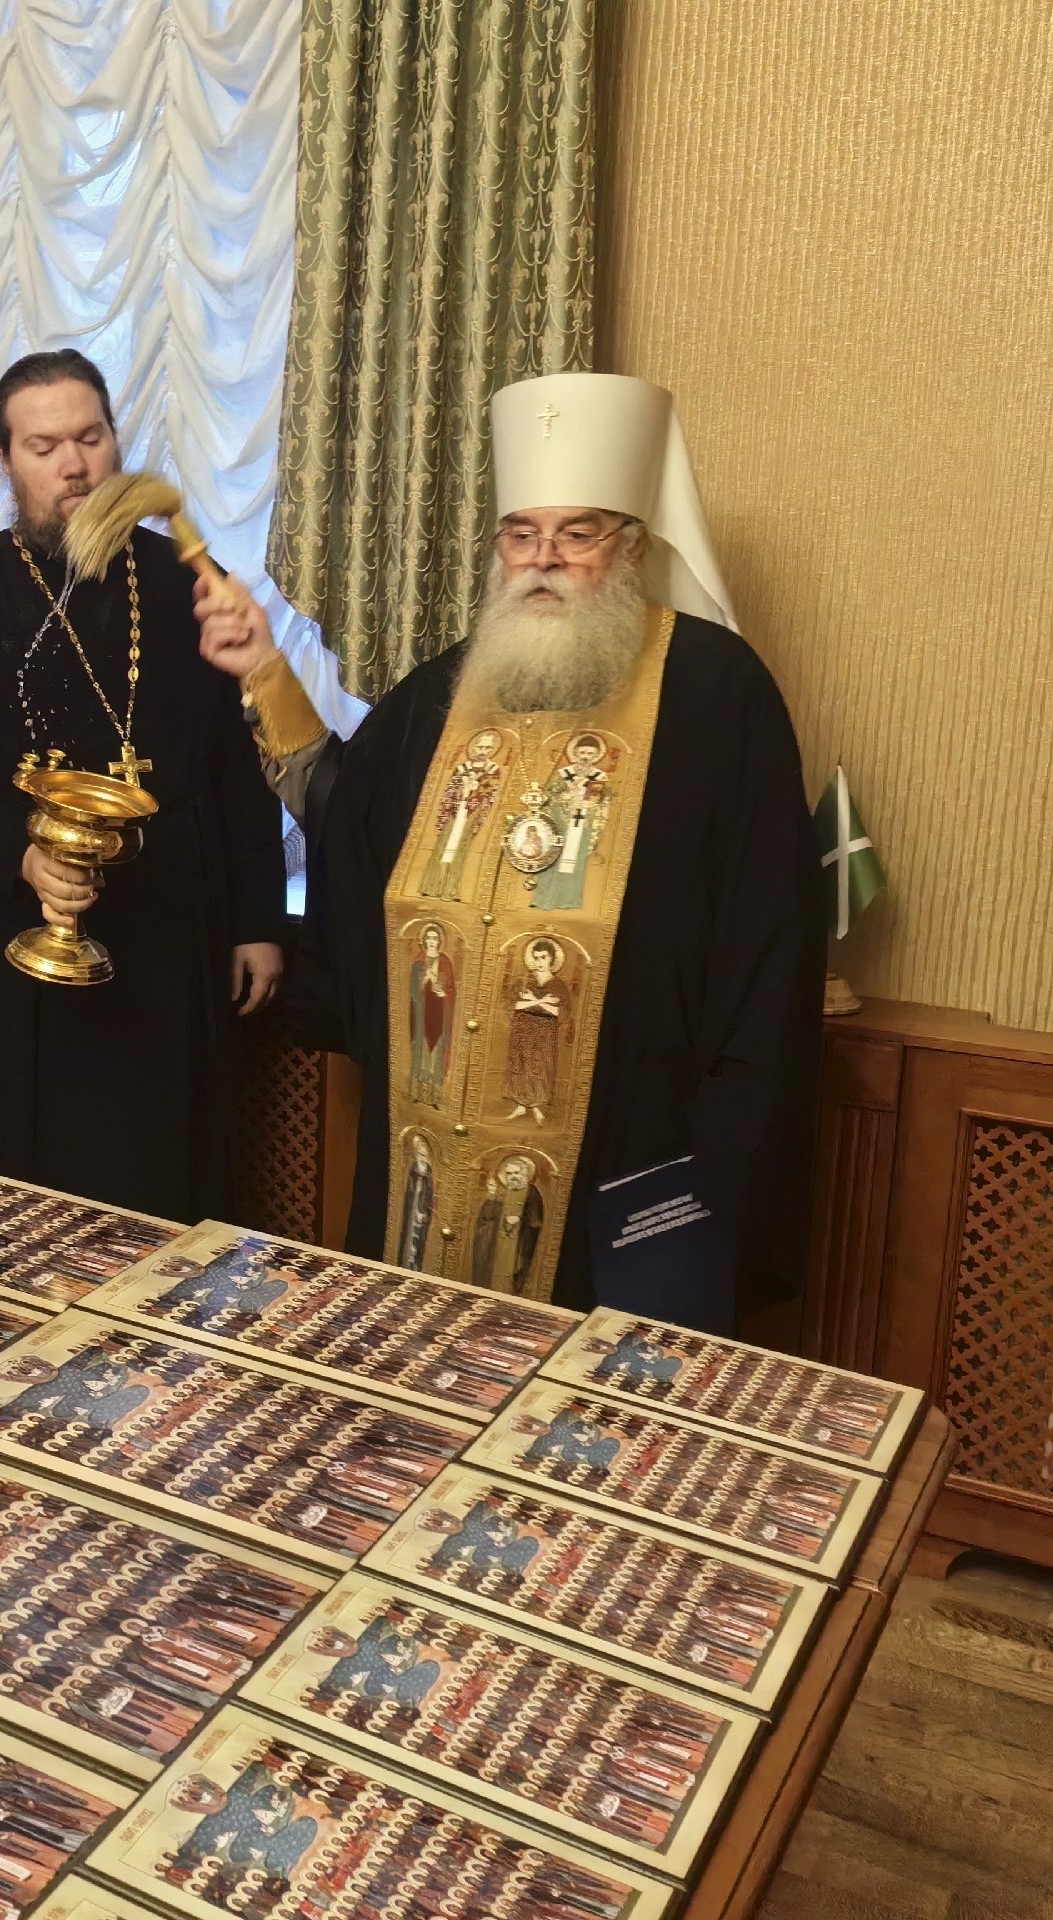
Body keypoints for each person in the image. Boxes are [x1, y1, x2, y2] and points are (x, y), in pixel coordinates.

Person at [198, 371, 822, 1329]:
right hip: (432, 1147)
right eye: (522, 536)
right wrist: (268, 678)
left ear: (632, 548)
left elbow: (770, 942)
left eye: (578, 535)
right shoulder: (449, 689)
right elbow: (355, 826)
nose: (545, 563)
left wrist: (724, 1157)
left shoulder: (718, 695)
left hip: (625, 1142)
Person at [0, 351, 287, 1221]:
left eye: (90, 437)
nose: (74, 465)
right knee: (7, 1196)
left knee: (153, 1186)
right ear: (3, 460)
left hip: (165, 932)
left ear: (114, 441)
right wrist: (22, 858)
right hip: (7, 931)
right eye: (43, 447)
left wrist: (257, 920)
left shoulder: (191, 585)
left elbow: (240, 761)